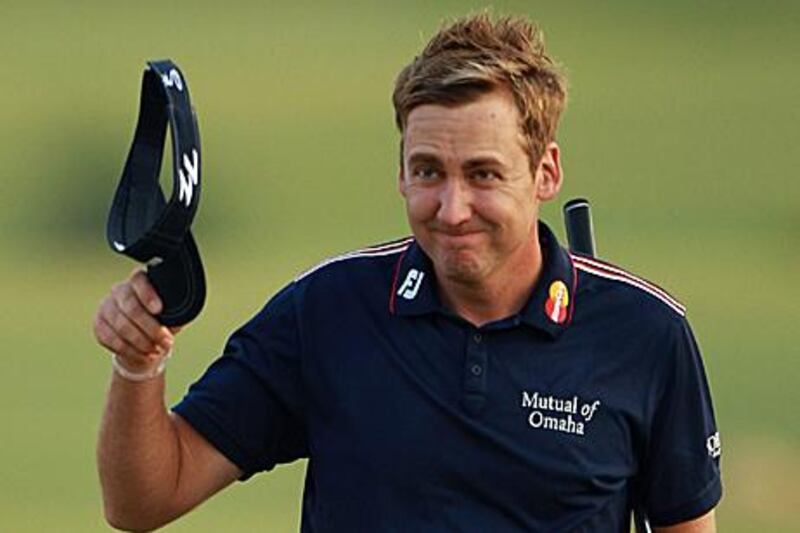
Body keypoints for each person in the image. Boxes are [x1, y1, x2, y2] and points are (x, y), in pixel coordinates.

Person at [93, 14, 722, 532]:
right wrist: (138, 365)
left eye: (482, 174)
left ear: (546, 173)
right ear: (400, 170)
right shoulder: (328, 311)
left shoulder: (645, 334)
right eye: (427, 172)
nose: (451, 209)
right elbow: (146, 499)